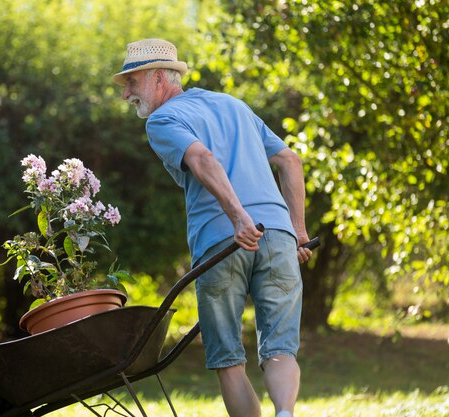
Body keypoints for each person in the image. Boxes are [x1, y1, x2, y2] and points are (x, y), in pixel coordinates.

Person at [113, 38, 313, 417]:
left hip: (222, 243)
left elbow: (202, 158)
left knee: (228, 359)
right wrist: (297, 233)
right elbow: (290, 160)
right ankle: (285, 412)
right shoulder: (232, 105)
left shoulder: (163, 119)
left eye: (132, 83)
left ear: (159, 78)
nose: (126, 95)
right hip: (277, 235)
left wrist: (239, 218)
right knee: (280, 349)